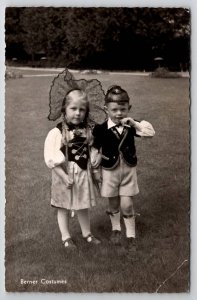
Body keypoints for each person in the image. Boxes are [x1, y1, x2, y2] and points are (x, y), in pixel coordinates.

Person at [92, 85, 155, 250]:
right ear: (106, 109)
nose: (119, 113)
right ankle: (116, 229)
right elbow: (94, 149)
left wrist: (134, 123)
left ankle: (131, 235)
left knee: (127, 204)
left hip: (128, 171)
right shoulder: (100, 129)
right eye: (114, 110)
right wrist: (95, 170)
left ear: (129, 108)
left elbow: (150, 133)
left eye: (123, 109)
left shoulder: (131, 126)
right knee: (113, 204)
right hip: (109, 172)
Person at [44, 89, 101, 250]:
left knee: (83, 205)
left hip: (82, 175)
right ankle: (66, 237)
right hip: (64, 176)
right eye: (73, 108)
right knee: (63, 206)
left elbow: (92, 150)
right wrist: (63, 177)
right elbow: (51, 161)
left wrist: (95, 157)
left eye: (82, 109)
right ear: (64, 109)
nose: (78, 113)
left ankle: (87, 233)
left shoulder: (87, 131)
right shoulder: (56, 133)